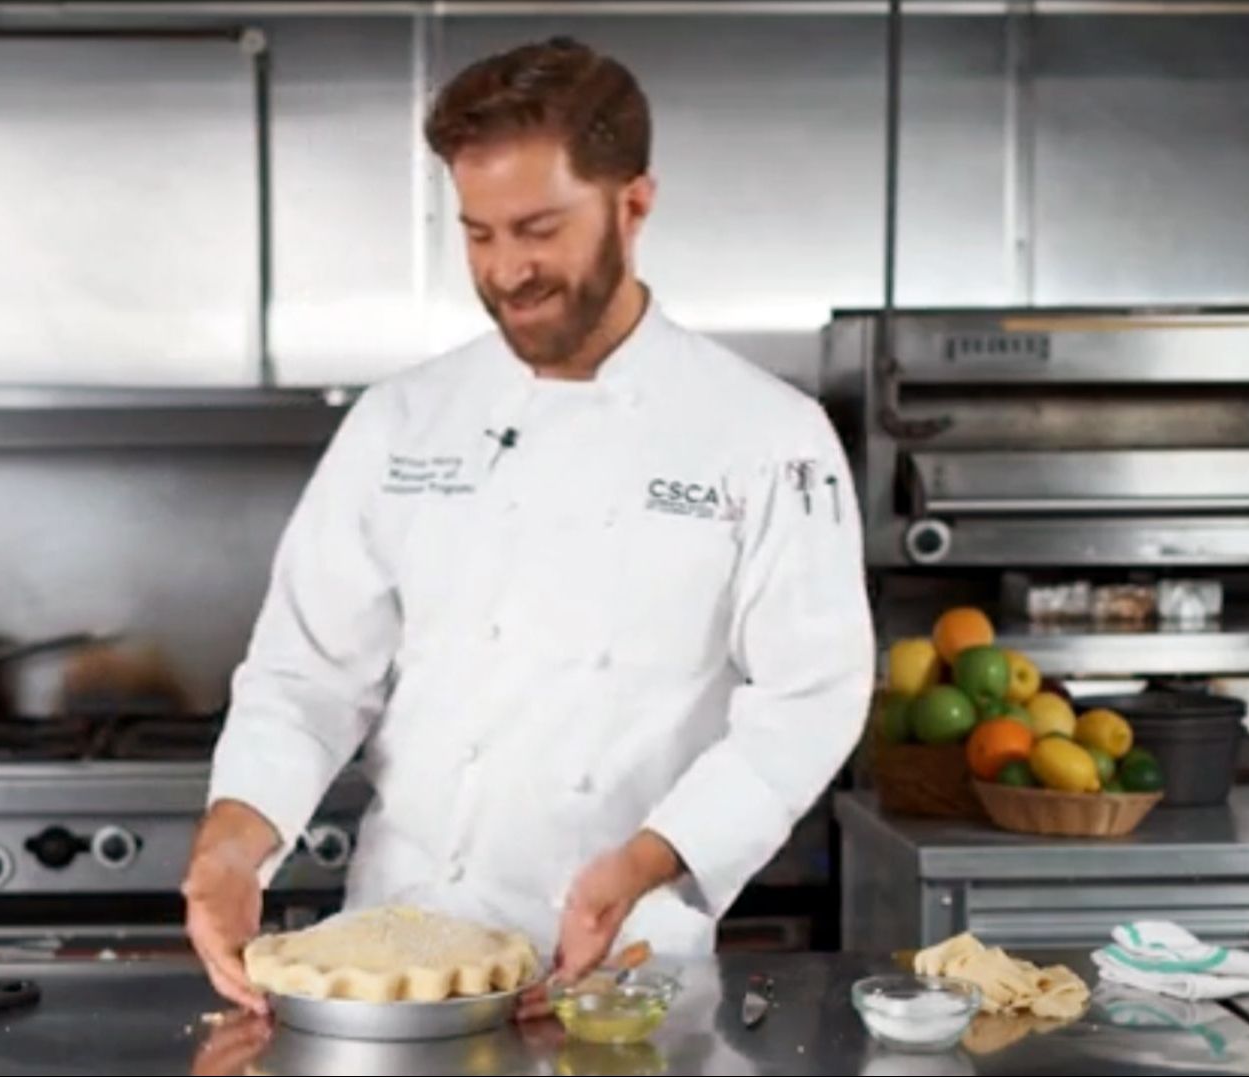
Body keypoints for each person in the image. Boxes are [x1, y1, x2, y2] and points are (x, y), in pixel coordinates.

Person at [181, 35, 875, 1016]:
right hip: (395, 965)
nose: (507, 270)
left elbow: (810, 698)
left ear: (633, 204)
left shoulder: (766, 434)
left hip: (619, 969)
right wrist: (233, 843)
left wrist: (650, 859)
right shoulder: (401, 420)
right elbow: (307, 674)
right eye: (479, 234)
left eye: (539, 229)